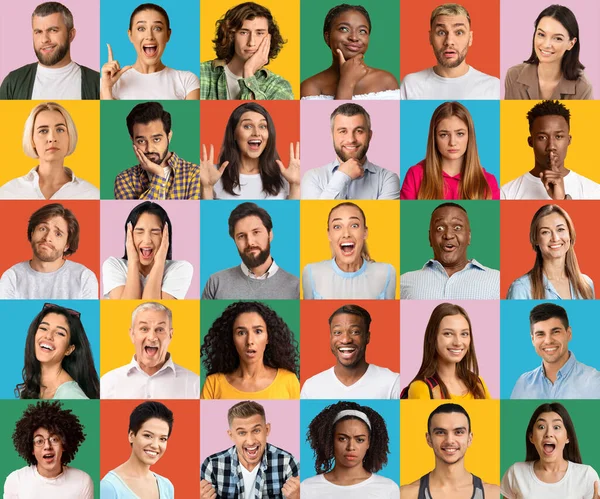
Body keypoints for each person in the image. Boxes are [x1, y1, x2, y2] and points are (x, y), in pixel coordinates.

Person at [501, 100, 600, 199]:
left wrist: (561, 199)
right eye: (542, 137)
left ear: (568, 140)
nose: (551, 146)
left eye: (559, 137)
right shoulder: (507, 193)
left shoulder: (594, 192)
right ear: (531, 142)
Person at [400, 101, 499, 200]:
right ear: (434, 138)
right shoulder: (415, 175)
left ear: (470, 136)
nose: (452, 142)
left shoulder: (488, 181)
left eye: (460, 134)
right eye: (444, 134)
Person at [0, 2, 100, 100]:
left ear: (71, 35)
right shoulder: (13, 82)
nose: (44, 39)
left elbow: (111, 117)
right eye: (38, 32)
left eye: (53, 30)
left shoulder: (98, 83)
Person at [200, 401, 299, 498]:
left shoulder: (287, 463)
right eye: (242, 433)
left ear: (267, 430)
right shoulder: (212, 465)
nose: (251, 441)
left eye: (256, 430)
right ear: (231, 435)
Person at [200, 102, 300, 200]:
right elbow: (208, 215)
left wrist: (295, 185)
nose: (256, 133)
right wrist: (207, 188)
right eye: (247, 126)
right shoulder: (212, 174)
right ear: (234, 133)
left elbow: (290, 215)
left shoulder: (286, 177)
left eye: (262, 126)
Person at [201, 301, 299, 399]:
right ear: (231, 339)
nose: (249, 341)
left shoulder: (289, 381)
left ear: (268, 337)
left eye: (258, 331)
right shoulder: (213, 384)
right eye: (241, 333)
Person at [400, 202, 500, 299]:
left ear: (469, 236)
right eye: (439, 228)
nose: (448, 235)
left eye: (457, 227)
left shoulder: (497, 280)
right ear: (430, 237)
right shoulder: (404, 281)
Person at [100, 302, 199, 399]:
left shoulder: (194, 383)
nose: (152, 337)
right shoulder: (108, 382)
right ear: (132, 334)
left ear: (170, 335)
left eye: (160, 329)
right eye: (144, 329)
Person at [0, 102, 98, 200]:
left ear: (70, 136)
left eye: (60, 130)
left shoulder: (91, 194)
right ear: (32, 139)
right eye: (43, 131)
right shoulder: (7, 193)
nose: (52, 138)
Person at [400, 4, 500, 100]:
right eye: (441, 32)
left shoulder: (494, 88)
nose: (449, 41)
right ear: (430, 37)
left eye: (459, 32)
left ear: (470, 38)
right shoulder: (411, 85)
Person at [301, 400, 399, 498]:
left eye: (360, 440)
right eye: (342, 439)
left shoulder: (388, 489)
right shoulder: (307, 488)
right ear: (331, 440)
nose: (351, 447)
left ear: (369, 443)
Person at [101, 3, 199, 100]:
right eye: (141, 28)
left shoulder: (187, 81)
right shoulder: (111, 82)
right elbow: (109, 116)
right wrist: (106, 88)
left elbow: (190, 116)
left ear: (168, 35)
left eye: (157, 28)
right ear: (130, 35)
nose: (150, 36)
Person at [301, 103, 400, 199]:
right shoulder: (313, 177)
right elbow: (316, 215)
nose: (351, 139)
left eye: (359, 131)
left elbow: (384, 216)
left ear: (369, 136)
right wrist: (342, 176)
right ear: (332, 135)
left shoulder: (388, 179)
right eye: (343, 131)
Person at [400, 403, 500, 498]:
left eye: (458, 432)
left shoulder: (493, 494)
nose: (449, 440)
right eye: (440, 432)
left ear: (469, 438)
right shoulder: (405, 495)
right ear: (428, 439)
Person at [501, 402, 600, 498]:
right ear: (531, 437)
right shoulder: (516, 473)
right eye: (541, 427)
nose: (549, 433)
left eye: (556, 427)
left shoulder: (586, 475)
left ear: (568, 437)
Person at [300, 4, 399, 100]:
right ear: (327, 37)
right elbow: (336, 117)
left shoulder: (386, 81)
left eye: (362, 31)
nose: (354, 37)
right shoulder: (311, 87)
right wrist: (347, 82)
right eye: (344, 29)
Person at [202, 202, 299, 299]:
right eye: (241, 236)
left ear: (270, 234)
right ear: (234, 240)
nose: (250, 242)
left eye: (256, 232)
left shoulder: (296, 286)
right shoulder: (216, 282)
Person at [0, 203, 98, 299]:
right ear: (32, 232)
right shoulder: (12, 277)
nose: (47, 238)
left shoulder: (84, 278)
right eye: (42, 229)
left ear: (67, 245)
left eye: (58, 234)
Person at [301, 304, 400, 398]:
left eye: (355, 332)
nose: (346, 340)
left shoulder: (392, 383)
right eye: (338, 332)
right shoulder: (311, 387)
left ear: (367, 337)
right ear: (330, 337)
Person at [303, 202, 396, 299]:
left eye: (354, 225)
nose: (346, 234)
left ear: (365, 232)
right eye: (337, 227)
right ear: (329, 234)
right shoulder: (311, 273)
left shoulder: (386, 273)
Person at [200, 2, 293, 100]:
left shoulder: (279, 87)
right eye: (243, 32)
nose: (251, 42)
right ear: (231, 36)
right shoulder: (201, 74)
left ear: (269, 38)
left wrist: (248, 71)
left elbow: (258, 113)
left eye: (259, 33)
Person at [102, 201, 193, 300]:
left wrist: (159, 262)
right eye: (139, 231)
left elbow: (153, 310)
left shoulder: (179, 268)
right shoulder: (114, 265)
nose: (147, 240)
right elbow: (125, 311)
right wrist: (133, 262)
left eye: (155, 232)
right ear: (129, 235)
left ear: (165, 236)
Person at [3, 400, 93, 498]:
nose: (47, 446)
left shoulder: (83, 481)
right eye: (39, 441)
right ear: (31, 449)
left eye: (54, 439)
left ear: (64, 444)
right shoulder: (16, 480)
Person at [114, 102, 201, 200]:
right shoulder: (125, 179)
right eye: (141, 141)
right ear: (133, 140)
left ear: (169, 136)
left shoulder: (194, 174)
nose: (149, 149)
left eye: (156, 139)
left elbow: (191, 215)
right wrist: (159, 176)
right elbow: (137, 214)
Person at [511, 303, 600, 399]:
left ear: (568, 334)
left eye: (555, 332)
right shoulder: (522, 384)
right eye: (540, 334)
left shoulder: (594, 382)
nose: (548, 340)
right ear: (533, 339)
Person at [404, 303, 491, 400]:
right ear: (432, 337)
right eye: (448, 333)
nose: (458, 342)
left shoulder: (478, 384)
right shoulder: (421, 388)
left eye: (464, 334)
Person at [507, 204, 594, 300]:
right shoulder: (521, 289)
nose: (555, 238)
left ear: (570, 234)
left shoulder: (587, 285)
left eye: (560, 229)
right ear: (535, 239)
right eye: (545, 232)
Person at [504, 5, 592, 100]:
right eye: (541, 34)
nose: (546, 44)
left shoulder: (582, 87)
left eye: (558, 38)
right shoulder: (514, 76)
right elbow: (511, 115)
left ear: (571, 44)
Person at [16, 303, 99, 400]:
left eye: (60, 333)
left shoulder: (72, 396)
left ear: (69, 349)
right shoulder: (32, 387)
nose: (48, 336)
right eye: (43, 328)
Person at [101, 401, 175, 498]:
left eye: (162, 439)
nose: (155, 445)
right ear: (131, 436)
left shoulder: (167, 486)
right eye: (147, 436)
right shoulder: (109, 486)